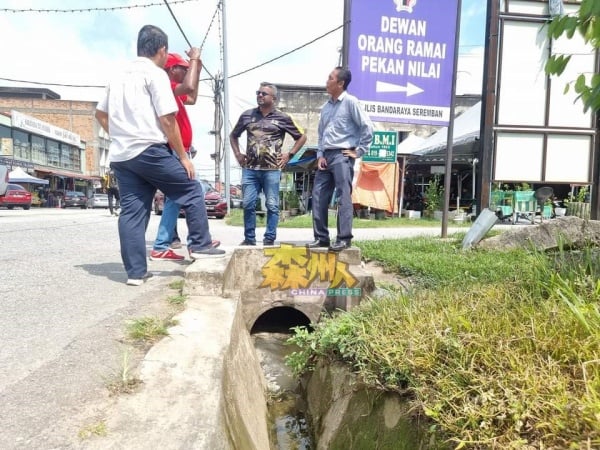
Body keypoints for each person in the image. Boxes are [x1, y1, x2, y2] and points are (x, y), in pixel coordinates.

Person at [95, 24, 225, 286]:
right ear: (162, 50)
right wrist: (183, 157)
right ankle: (200, 245)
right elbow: (167, 119)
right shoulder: (155, 75)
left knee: (132, 211)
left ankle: (136, 273)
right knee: (191, 189)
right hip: (150, 150)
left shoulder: (118, 76)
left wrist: (120, 136)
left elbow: (100, 114)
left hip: (122, 156)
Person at [230, 82, 307, 246]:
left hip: (272, 170)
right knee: (249, 204)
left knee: (272, 205)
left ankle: (269, 238)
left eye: (263, 93)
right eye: (258, 93)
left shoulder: (283, 118)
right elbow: (233, 135)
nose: (259, 95)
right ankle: (249, 239)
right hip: (250, 169)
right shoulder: (247, 115)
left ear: (274, 98)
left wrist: (290, 154)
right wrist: (238, 154)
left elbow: (302, 137)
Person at [308, 67, 374, 252]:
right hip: (326, 156)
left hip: (342, 156)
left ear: (340, 83)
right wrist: (320, 155)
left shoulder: (351, 102)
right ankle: (321, 238)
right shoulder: (327, 107)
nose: (326, 81)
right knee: (319, 195)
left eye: (330, 78)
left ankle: (344, 239)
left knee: (343, 196)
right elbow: (321, 133)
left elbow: (367, 127)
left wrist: (359, 151)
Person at [150, 50, 202, 261]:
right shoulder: (167, 87)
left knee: (176, 197)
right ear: (173, 69)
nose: (187, 71)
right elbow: (188, 87)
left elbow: (192, 97)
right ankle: (193, 242)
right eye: (185, 68)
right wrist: (195, 58)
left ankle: (167, 243)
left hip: (181, 150)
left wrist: (196, 68)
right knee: (188, 192)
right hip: (174, 150)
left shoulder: (173, 90)